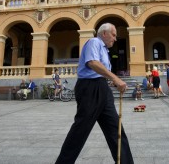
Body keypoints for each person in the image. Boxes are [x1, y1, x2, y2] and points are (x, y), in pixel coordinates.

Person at [55, 23, 134, 164]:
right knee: (80, 130)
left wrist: (110, 82)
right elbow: (92, 63)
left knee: (116, 129)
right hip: (89, 89)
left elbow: (100, 71)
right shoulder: (94, 42)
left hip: (102, 88)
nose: (115, 39)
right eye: (114, 35)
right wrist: (115, 78)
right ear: (104, 33)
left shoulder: (105, 50)